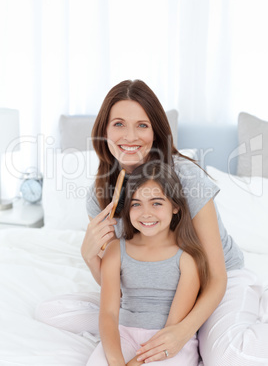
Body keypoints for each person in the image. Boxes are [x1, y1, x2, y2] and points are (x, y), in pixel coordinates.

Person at [36, 80, 268, 365]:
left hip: (215, 283)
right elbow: (117, 282)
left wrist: (181, 332)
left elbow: (217, 275)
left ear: (156, 131)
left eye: (142, 125)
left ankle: (246, 309)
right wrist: (89, 257)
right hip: (148, 295)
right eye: (119, 124)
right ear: (104, 131)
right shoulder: (100, 195)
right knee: (51, 311)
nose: (130, 135)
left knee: (229, 356)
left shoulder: (184, 178)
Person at [87, 161, 208, 366]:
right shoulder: (116, 250)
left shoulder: (188, 258)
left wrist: (135, 363)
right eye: (136, 203)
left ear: (176, 206)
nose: (146, 213)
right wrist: (116, 360)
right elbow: (108, 312)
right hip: (124, 333)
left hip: (168, 342)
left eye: (156, 203)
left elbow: (173, 327)